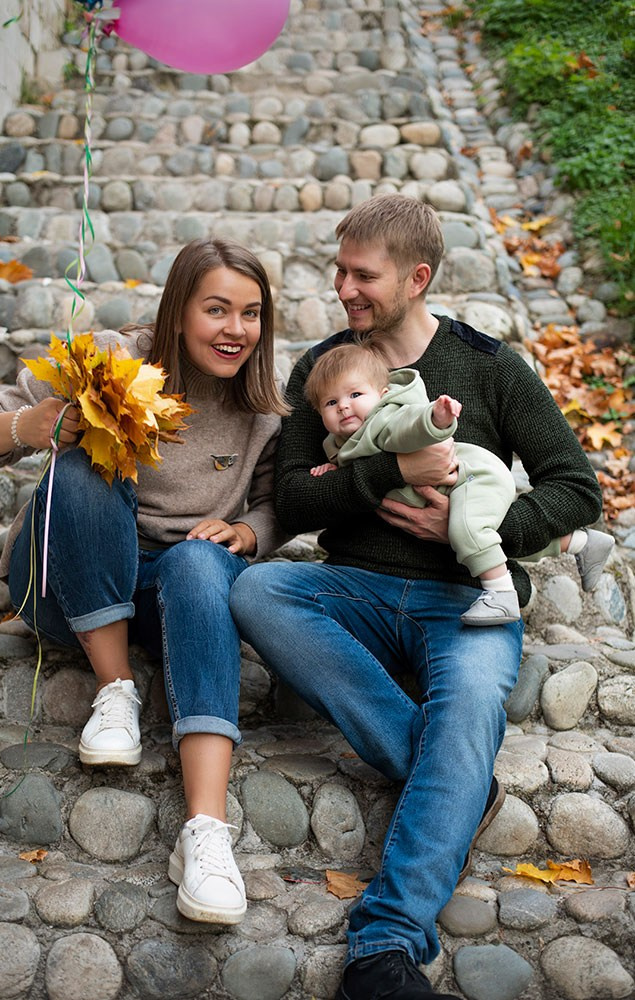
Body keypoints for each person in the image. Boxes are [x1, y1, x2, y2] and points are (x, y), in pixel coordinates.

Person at [229, 195, 605, 1000]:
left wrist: (478, 532)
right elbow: (293, 502)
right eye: (339, 270)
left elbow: (578, 489)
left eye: (362, 275)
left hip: (464, 597)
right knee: (260, 587)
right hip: (352, 588)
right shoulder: (325, 369)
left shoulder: (489, 366)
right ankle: (456, 783)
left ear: (416, 277)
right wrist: (389, 474)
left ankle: (384, 945)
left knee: (469, 704)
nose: (343, 288)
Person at [0, 238, 288, 928]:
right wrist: (38, 423)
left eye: (251, 314)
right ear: (177, 313)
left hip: (177, 597)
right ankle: (114, 690)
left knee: (202, 561)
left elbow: (276, 500)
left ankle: (205, 835)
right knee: (87, 465)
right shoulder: (112, 360)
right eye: (216, 310)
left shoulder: (262, 411)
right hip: (66, 583)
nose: (235, 329)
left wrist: (253, 532)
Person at [305, 341, 615, 625]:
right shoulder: (340, 443)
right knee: (477, 537)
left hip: (474, 476)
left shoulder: (385, 419)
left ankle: (500, 595)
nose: (344, 406)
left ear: (383, 396)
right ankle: (582, 543)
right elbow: (339, 472)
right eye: (331, 403)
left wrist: (435, 419)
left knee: (468, 530)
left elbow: (409, 427)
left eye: (355, 395)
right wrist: (332, 470)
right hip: (450, 493)